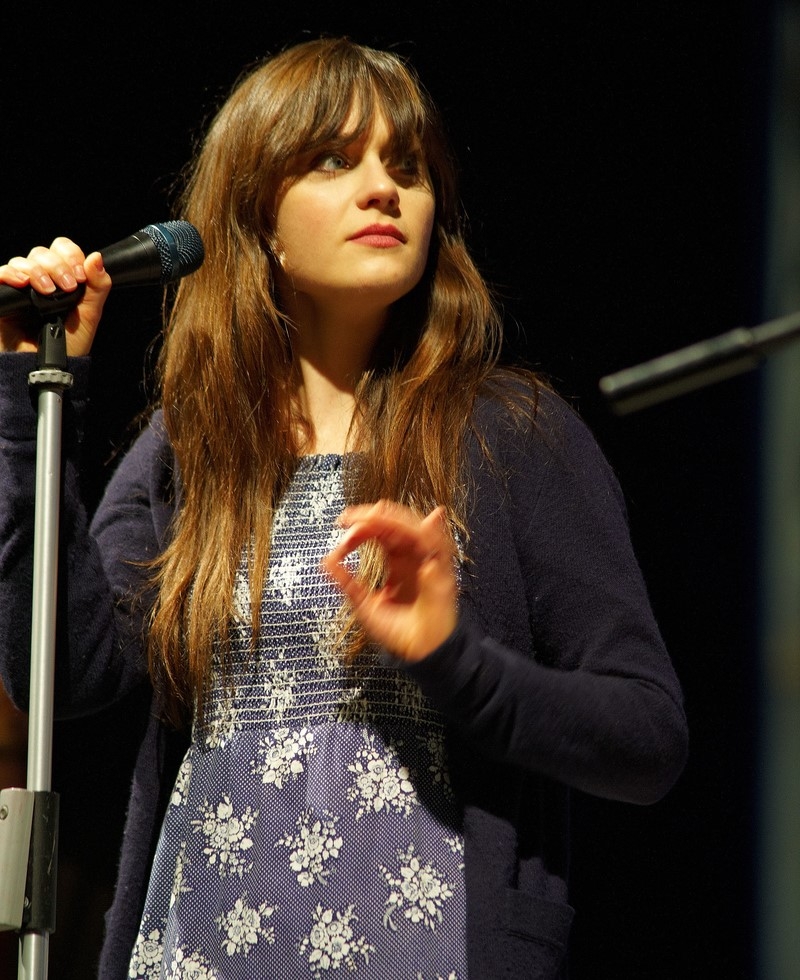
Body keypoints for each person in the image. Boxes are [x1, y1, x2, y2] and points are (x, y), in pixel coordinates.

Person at [0, 36, 688, 980]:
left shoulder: (510, 433)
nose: (383, 189)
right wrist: (26, 395)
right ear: (260, 220)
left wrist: (454, 661)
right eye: (334, 160)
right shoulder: (192, 445)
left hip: (424, 944)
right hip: (199, 944)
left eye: (406, 167)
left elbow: (646, 738)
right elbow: (68, 672)